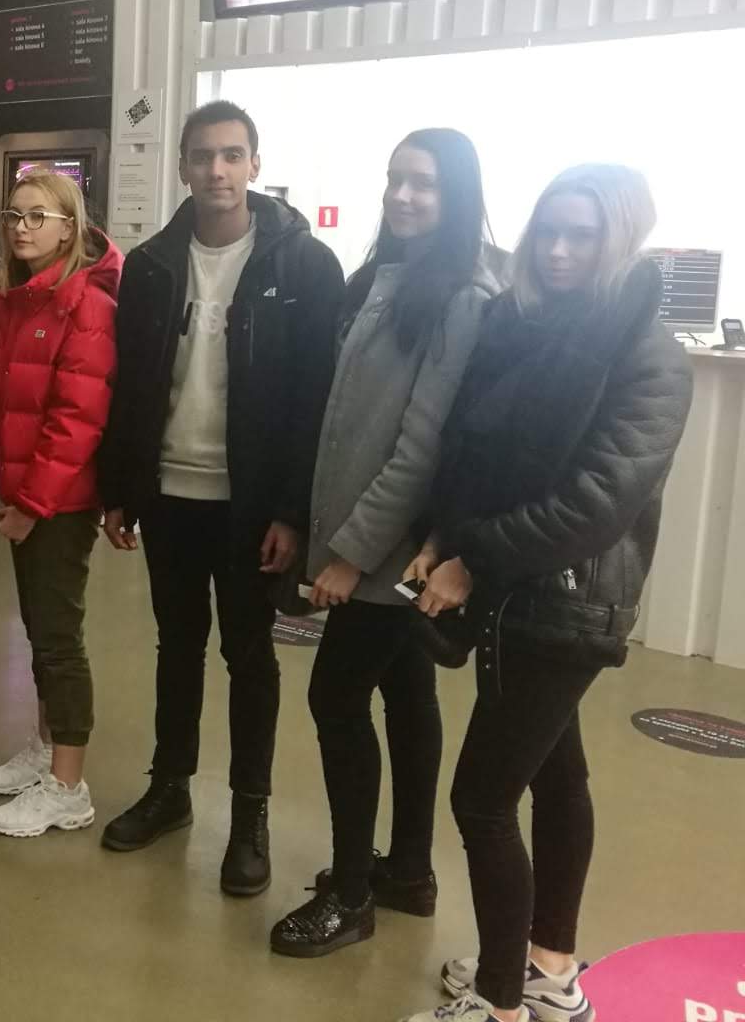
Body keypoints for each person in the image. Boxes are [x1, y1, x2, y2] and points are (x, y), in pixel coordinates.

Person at [398, 166, 692, 1022]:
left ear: (619, 241)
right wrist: (440, 537)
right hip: (519, 597)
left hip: (566, 605)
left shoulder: (647, 357)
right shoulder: (523, 327)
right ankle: (548, 970)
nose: (559, 251)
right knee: (559, 778)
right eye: (549, 233)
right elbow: (475, 456)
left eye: (582, 236)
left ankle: (499, 1004)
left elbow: (596, 504)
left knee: (482, 800)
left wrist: (474, 561)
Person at [97, 101, 343, 893]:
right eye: (203, 156)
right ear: (182, 168)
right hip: (170, 493)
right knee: (177, 646)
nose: (217, 171)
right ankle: (170, 789)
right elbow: (133, 385)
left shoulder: (304, 267)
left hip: (251, 506)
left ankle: (250, 815)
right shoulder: (151, 265)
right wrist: (121, 488)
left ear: (255, 165)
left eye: (233, 155)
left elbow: (315, 402)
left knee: (250, 656)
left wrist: (293, 514)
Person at [269, 129, 496, 957]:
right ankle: (406, 870)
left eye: (423, 183)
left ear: (456, 194)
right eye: (396, 179)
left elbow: (420, 447)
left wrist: (350, 553)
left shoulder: (462, 297)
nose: (403, 195)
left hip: (389, 551)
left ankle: (352, 897)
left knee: (335, 698)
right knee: (405, 691)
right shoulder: (387, 278)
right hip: (372, 541)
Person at [0, 171, 120, 839]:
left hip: (59, 504)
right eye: (14, 216)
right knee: (38, 630)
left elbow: (76, 420)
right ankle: (44, 747)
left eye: (38, 217)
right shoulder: (21, 300)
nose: (22, 228)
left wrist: (31, 503)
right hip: (25, 493)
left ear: (69, 228)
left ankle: (67, 785)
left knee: (59, 639)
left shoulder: (84, 303)